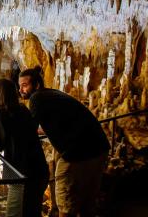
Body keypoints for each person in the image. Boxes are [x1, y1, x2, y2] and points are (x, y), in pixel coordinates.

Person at [18, 66, 110, 217]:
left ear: (37, 85)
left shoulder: (36, 98)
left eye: (25, 85)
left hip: (78, 152)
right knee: (86, 203)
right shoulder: (51, 94)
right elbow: (57, 123)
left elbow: (29, 129)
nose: (21, 90)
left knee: (65, 199)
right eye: (20, 85)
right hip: (98, 147)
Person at [0, 79, 49, 217]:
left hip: (22, 176)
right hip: (40, 170)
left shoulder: (1, 113)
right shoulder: (22, 109)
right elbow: (16, 135)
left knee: (14, 213)